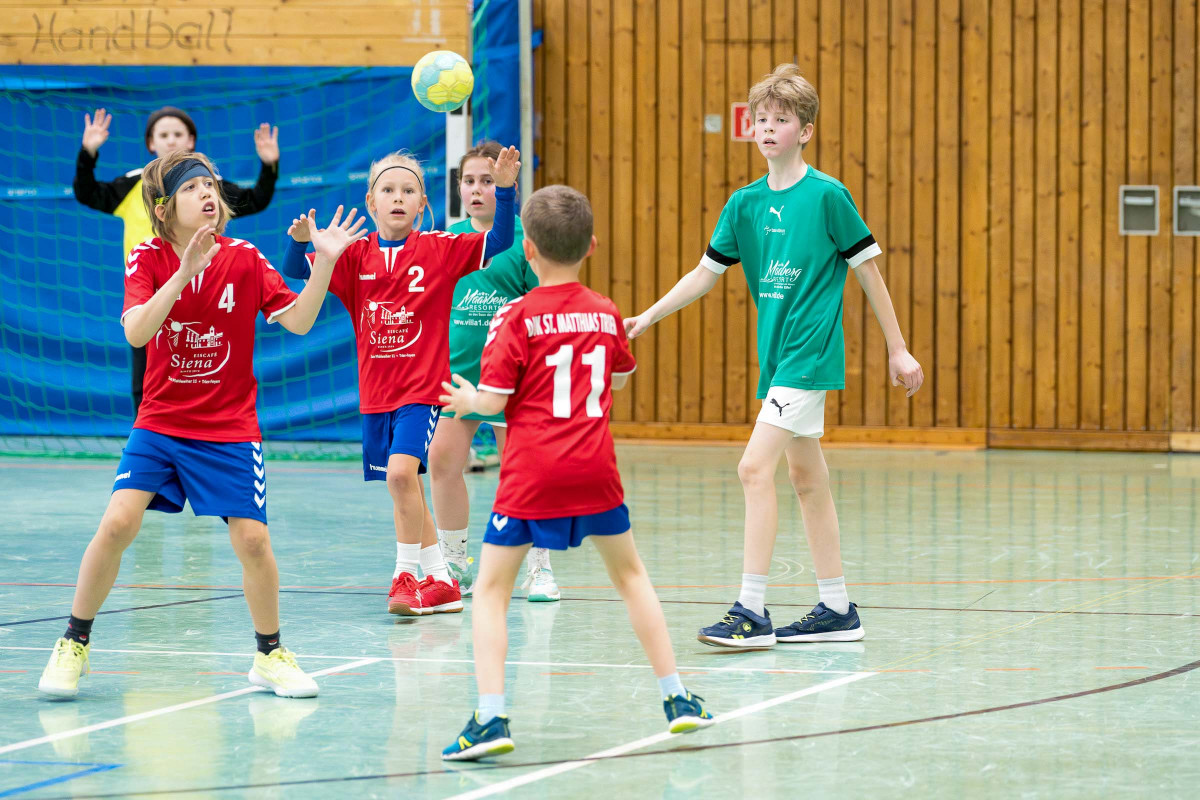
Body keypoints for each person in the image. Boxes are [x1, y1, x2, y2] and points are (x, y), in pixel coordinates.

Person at [38, 149, 365, 698]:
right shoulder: (146, 257)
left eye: (210, 184)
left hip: (228, 427)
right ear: (164, 208)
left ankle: (269, 654)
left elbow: (301, 322)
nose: (207, 193)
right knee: (117, 524)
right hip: (161, 424)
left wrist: (326, 262)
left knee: (253, 541)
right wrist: (184, 274)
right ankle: (74, 642)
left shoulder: (245, 258)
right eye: (191, 188)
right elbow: (136, 333)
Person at [624, 64, 924, 649]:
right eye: (760, 119)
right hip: (778, 357)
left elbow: (869, 272)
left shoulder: (828, 196)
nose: (766, 128)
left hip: (808, 355)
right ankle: (838, 608)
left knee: (753, 468)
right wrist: (648, 316)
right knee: (807, 479)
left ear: (804, 131)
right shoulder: (745, 204)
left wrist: (899, 348)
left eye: (780, 120)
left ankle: (751, 611)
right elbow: (704, 274)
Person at [439, 185, 714, 762]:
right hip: (595, 470)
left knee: (490, 591)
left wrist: (467, 401)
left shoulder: (513, 316)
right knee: (632, 577)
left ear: (527, 250)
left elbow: (494, 402)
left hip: (531, 473)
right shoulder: (607, 312)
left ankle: (490, 717)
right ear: (591, 246)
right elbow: (618, 378)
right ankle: (678, 697)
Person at [279, 148, 520, 616]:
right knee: (404, 488)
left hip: (422, 392)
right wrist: (300, 240)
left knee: (401, 476)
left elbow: (501, 239)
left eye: (408, 190)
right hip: (376, 396)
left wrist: (506, 190)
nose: (397, 198)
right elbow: (295, 269)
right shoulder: (353, 256)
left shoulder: (440, 248)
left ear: (422, 202)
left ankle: (404, 575)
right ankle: (442, 582)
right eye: (388, 190)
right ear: (371, 201)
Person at [73, 106, 281, 410]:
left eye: (178, 134)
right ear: (151, 143)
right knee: (146, 374)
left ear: (192, 141)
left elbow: (255, 200)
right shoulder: (135, 185)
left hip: (204, 290)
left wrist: (269, 166)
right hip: (152, 289)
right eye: (163, 135)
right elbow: (87, 192)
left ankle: (206, 425)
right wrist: (88, 153)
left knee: (202, 366)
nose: (171, 140)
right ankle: (148, 429)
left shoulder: (208, 186)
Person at [429, 140, 560, 602]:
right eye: (469, 181)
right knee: (442, 462)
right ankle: (454, 564)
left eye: (487, 180)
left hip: (513, 378)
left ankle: (540, 567)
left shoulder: (524, 240)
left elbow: (542, 305)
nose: (477, 189)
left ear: (505, 185)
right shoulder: (448, 240)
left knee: (523, 471)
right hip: (458, 378)